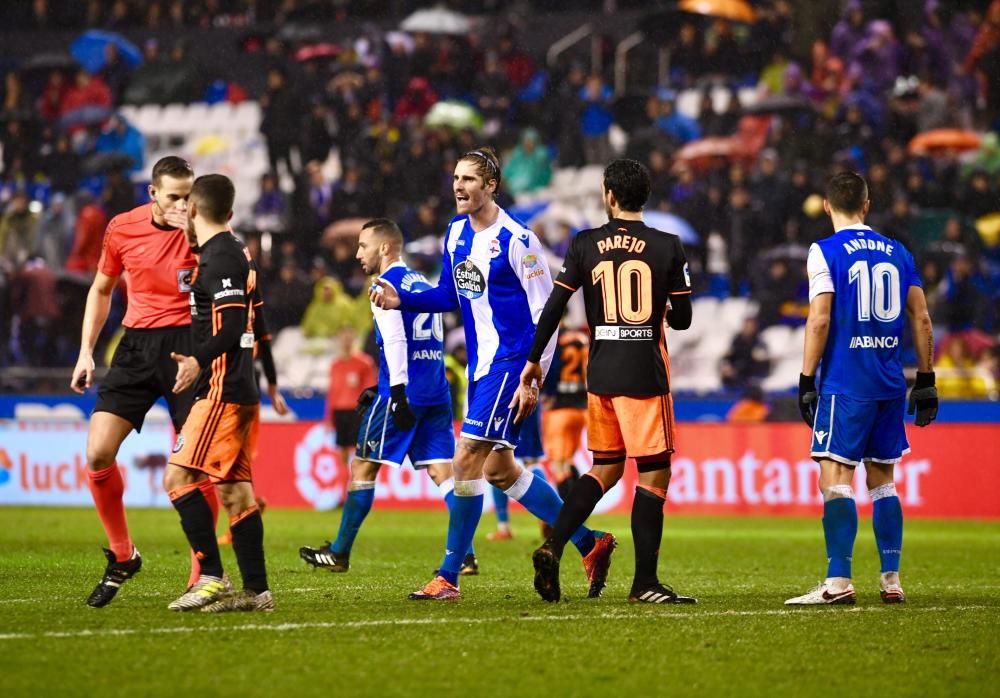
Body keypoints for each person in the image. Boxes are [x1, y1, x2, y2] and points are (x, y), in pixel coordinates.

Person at [371, 147, 616, 601]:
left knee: (466, 457)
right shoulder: (455, 234)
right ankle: (589, 541)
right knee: (501, 471)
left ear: (490, 186)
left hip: (513, 362)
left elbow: (548, 311)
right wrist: (402, 300)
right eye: (455, 178)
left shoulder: (518, 240)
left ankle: (448, 576)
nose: (458, 186)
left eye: (468, 179)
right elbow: (448, 294)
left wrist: (535, 375)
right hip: (482, 367)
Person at [511, 158, 697, 605]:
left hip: (601, 375)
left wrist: (534, 360)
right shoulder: (668, 245)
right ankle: (645, 584)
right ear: (643, 197)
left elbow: (554, 307)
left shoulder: (585, 243)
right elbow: (685, 319)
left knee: (605, 469)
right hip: (644, 374)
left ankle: (554, 545)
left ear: (609, 196)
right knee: (653, 475)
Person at [788, 172, 937, 605]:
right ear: (867, 206)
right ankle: (891, 580)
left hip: (845, 383)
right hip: (890, 383)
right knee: (883, 480)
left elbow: (819, 318)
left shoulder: (825, 251)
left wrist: (805, 379)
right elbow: (922, 318)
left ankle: (838, 582)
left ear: (827, 207)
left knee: (835, 478)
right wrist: (925, 380)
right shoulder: (898, 251)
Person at [299, 218, 478, 575]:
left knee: (363, 465)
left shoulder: (383, 285)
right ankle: (465, 554)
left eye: (363, 246)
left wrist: (395, 393)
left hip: (404, 390)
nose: (357, 253)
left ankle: (339, 552)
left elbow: (395, 340)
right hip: (434, 389)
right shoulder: (419, 281)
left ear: (384, 248)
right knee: (442, 471)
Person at [70, 156, 210, 608]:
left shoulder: (202, 230)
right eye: (174, 197)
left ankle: (202, 570)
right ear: (152, 193)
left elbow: (231, 272)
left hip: (187, 346)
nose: (182, 205)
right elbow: (101, 289)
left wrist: (195, 229)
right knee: (97, 452)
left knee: (193, 463)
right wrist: (87, 351)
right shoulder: (122, 228)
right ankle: (123, 554)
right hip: (135, 347)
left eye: (189, 196)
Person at [164, 174, 273, 613]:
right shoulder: (223, 252)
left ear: (193, 208)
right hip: (238, 387)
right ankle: (256, 591)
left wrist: (196, 360)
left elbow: (229, 328)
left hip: (222, 389)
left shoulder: (223, 257)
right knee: (234, 494)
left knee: (179, 478)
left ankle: (210, 577)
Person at [542, 327, 590, 499]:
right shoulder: (583, 339)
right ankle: (580, 508)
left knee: (558, 466)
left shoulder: (556, 339)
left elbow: (551, 367)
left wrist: (548, 393)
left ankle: (570, 515)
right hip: (582, 408)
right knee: (569, 460)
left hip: (560, 410)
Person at [325, 326, 377, 474]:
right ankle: (343, 489)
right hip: (340, 412)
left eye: (349, 337)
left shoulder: (364, 363)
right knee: (342, 451)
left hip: (356, 412)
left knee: (359, 451)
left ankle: (358, 486)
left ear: (354, 339)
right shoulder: (335, 365)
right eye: (343, 338)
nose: (346, 341)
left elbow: (370, 389)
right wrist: (329, 418)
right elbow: (332, 392)